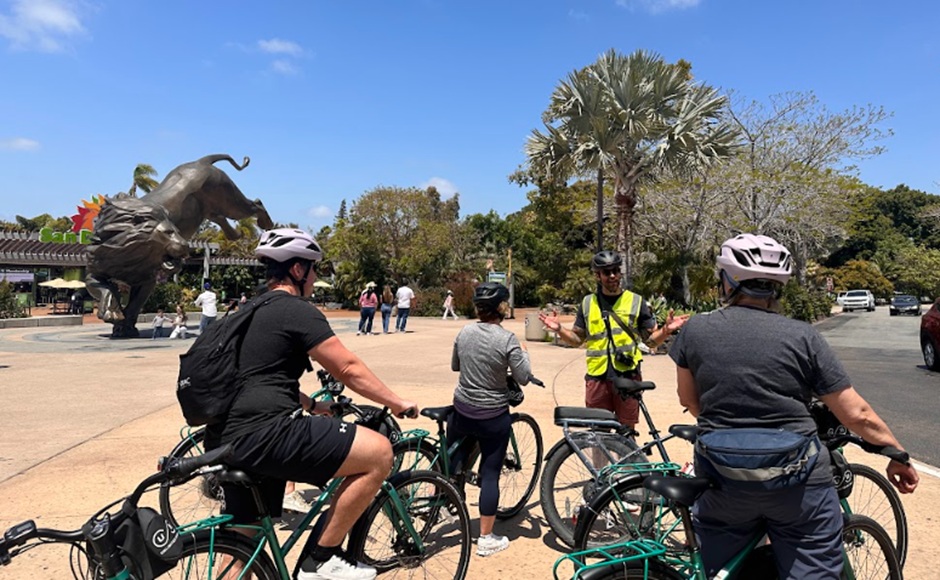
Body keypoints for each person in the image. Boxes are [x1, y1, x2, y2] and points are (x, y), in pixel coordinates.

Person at [668, 233, 919, 579]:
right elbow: (856, 413)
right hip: (797, 487)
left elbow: (689, 400)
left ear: (726, 281)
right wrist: (898, 453)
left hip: (722, 480)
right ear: (776, 288)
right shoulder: (804, 337)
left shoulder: (694, 331)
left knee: (727, 570)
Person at [204, 228, 418, 580]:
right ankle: (321, 558)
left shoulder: (247, 310)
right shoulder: (295, 309)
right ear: (298, 270)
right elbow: (347, 367)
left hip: (225, 437)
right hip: (268, 435)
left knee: (244, 545)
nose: (315, 277)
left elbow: (258, 375)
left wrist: (309, 404)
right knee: (379, 453)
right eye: (313, 269)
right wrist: (395, 401)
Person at [538, 250, 687, 429]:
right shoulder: (587, 303)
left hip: (627, 377)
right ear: (597, 276)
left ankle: (628, 457)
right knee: (599, 433)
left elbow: (650, 341)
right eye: (606, 272)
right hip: (597, 378)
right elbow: (577, 339)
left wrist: (666, 330)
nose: (612, 276)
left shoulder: (636, 302)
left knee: (627, 431)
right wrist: (560, 329)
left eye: (615, 271)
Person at [449, 282, 531, 557]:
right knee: (491, 474)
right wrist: (524, 354)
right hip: (492, 415)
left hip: (462, 409)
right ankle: (486, 538)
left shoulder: (464, 331)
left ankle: (448, 499)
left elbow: (455, 366)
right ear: (502, 308)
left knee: (454, 458)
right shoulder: (507, 340)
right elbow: (523, 377)